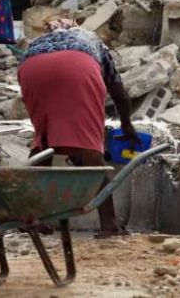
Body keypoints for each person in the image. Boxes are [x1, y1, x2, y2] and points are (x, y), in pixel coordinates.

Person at [18, 18, 139, 239]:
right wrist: (127, 125)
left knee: (43, 142)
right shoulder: (94, 41)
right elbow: (119, 92)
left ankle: (32, 218)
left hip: (31, 69)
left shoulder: (38, 42)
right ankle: (110, 224)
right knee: (90, 148)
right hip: (77, 66)